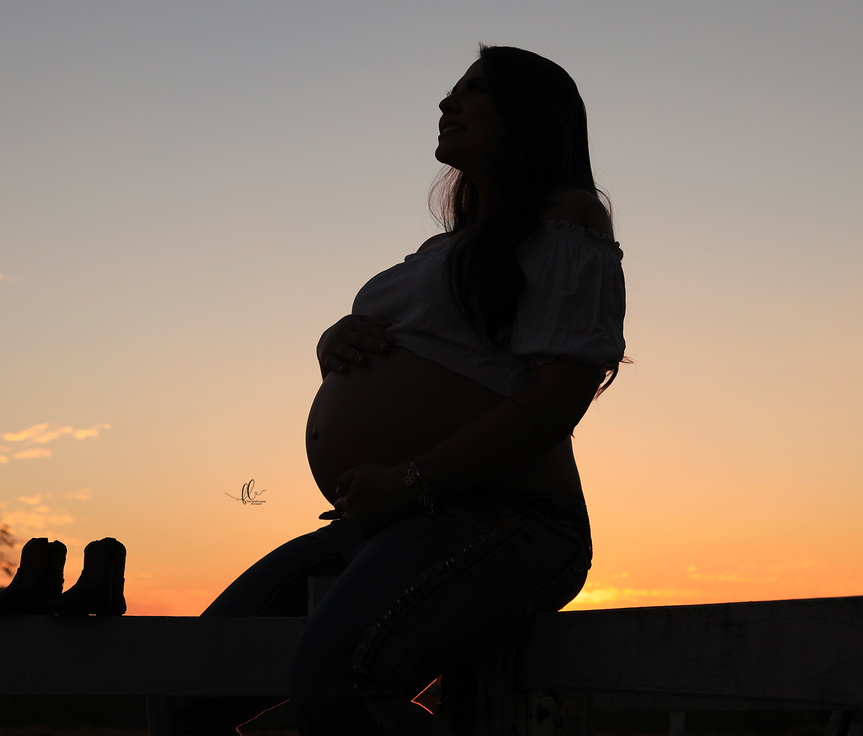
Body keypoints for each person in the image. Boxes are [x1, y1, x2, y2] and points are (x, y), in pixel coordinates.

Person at [147, 44, 626, 735]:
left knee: (339, 680)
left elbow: (563, 392)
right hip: (381, 521)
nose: (446, 103)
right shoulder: (445, 251)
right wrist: (333, 344)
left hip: (500, 518)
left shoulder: (568, 216)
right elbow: (425, 357)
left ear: (529, 117)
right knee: (183, 689)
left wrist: (412, 478)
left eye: (475, 89)